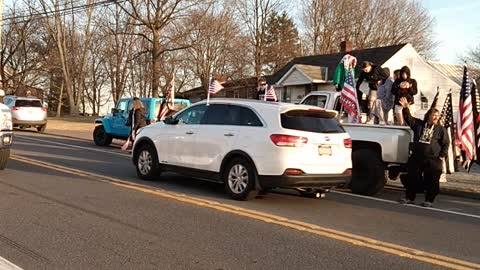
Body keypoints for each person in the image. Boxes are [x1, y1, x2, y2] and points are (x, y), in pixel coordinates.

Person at [398, 97, 449, 207]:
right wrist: (406, 107)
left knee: (432, 179)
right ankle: (409, 197)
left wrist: (441, 156)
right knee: (412, 177)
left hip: (433, 159)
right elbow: (408, 118)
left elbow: (446, 143)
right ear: (428, 116)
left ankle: (429, 200)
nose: (436, 117)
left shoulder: (440, 129)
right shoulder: (419, 124)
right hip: (417, 156)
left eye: (437, 115)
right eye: (434, 115)